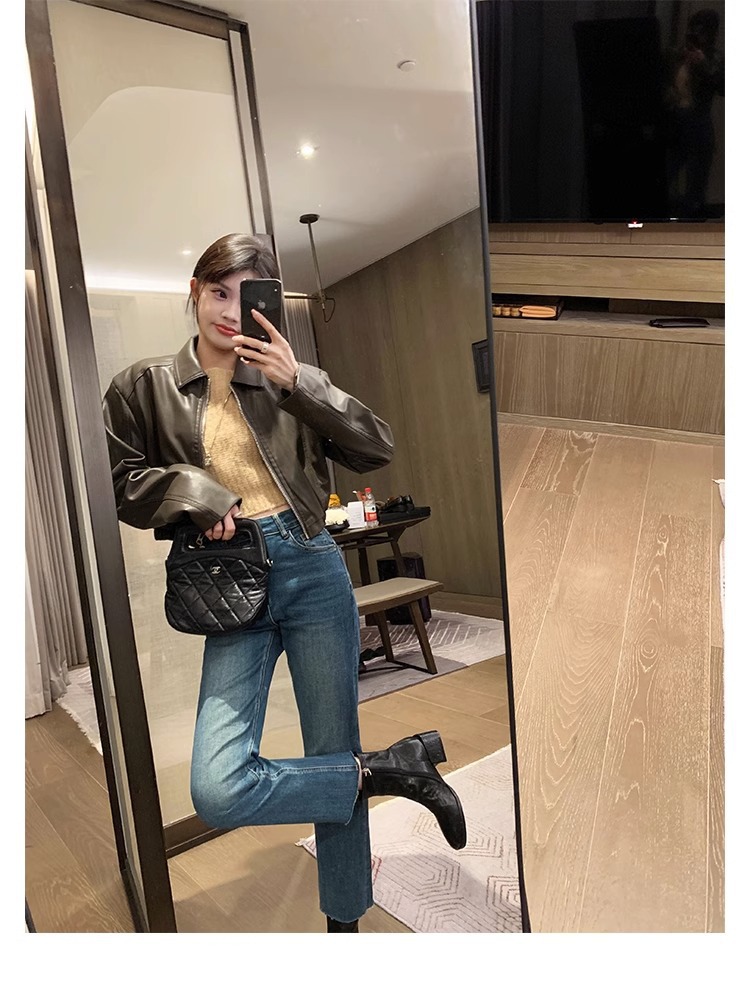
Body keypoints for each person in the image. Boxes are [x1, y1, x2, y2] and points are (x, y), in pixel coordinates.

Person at [102, 233, 467, 933]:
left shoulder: (286, 376)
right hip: (229, 575)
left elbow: (377, 448)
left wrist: (301, 385)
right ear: (194, 291)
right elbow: (120, 483)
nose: (229, 312)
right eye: (218, 292)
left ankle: (344, 922)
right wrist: (194, 492)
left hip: (310, 564)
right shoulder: (143, 385)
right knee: (217, 786)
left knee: (332, 744)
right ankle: (388, 770)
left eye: (247, 298)